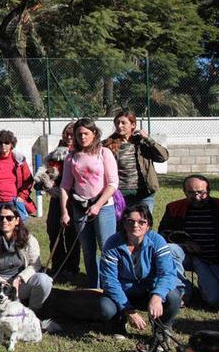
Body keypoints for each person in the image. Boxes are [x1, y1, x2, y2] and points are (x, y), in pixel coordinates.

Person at [98, 204, 181, 337]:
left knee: (173, 297)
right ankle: (118, 322)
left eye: (141, 222)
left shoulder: (157, 241)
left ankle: (161, 328)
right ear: (124, 224)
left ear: (148, 225)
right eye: (130, 221)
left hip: (149, 290)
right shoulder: (112, 244)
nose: (136, 225)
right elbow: (109, 280)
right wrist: (128, 310)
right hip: (122, 290)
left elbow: (168, 273)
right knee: (105, 308)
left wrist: (157, 295)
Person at [59, 118, 119, 288]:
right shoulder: (71, 157)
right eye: (79, 134)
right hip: (80, 207)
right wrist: (64, 211)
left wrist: (98, 205)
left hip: (104, 207)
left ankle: (112, 284)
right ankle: (94, 285)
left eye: (86, 133)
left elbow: (113, 183)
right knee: (87, 249)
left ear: (94, 133)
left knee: (107, 248)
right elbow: (65, 186)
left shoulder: (104, 152)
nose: (82, 137)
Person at [159, 175, 219, 308]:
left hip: (213, 259)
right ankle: (182, 291)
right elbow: (163, 234)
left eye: (201, 193)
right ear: (184, 192)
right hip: (186, 256)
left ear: (208, 191)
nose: (197, 197)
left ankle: (206, 286)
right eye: (191, 193)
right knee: (169, 249)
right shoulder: (174, 208)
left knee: (215, 300)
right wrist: (185, 242)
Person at [0, 203, 53, 311]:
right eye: (0, 218)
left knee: (44, 280)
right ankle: (3, 311)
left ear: (17, 220)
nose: (4, 221)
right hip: (0, 283)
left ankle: (33, 310)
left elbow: (35, 264)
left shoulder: (28, 239)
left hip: (21, 282)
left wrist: (20, 278)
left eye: (9, 218)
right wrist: (0, 281)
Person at [102, 110, 168, 211]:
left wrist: (148, 139)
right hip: (120, 193)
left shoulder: (142, 143)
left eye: (124, 123)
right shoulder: (107, 144)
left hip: (144, 192)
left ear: (133, 125)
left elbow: (163, 157)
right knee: (122, 224)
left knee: (143, 223)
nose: (119, 126)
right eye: (117, 123)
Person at [45, 122, 80, 280]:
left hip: (74, 198)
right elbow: (46, 173)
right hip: (56, 196)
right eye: (67, 133)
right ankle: (58, 264)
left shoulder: (80, 153)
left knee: (72, 233)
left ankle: (72, 267)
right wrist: (48, 187)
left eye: (73, 134)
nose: (69, 137)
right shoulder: (54, 154)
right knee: (53, 228)